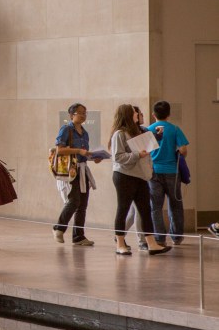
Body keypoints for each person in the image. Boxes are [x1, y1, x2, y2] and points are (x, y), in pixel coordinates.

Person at [109, 104, 171, 255]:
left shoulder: (138, 131)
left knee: (145, 210)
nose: (137, 114)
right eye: (135, 113)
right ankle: (120, 243)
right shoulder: (119, 134)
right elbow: (117, 157)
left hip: (141, 175)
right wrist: (138, 154)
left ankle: (151, 243)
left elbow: (148, 145)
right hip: (124, 176)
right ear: (128, 115)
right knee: (123, 208)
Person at [52, 103, 102, 246]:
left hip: (83, 169)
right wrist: (78, 151)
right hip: (71, 170)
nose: (83, 115)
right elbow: (59, 150)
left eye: (85, 113)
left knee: (83, 204)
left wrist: (93, 158)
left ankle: (78, 236)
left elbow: (84, 153)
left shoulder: (85, 132)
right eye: (80, 112)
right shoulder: (66, 129)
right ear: (71, 115)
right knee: (74, 201)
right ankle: (59, 228)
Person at [148, 100, 190, 246]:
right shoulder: (174, 129)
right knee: (176, 204)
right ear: (169, 114)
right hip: (172, 171)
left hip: (153, 172)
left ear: (153, 114)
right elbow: (184, 150)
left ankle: (159, 238)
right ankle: (177, 237)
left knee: (156, 207)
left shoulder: (149, 130)